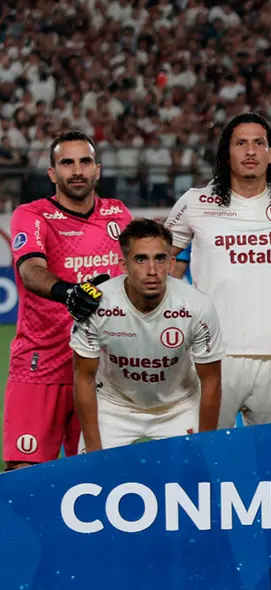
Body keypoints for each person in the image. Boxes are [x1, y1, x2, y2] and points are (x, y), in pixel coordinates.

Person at [164, 112, 271, 429]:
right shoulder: (196, 202)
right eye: (241, 143)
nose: (250, 151)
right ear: (227, 153)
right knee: (206, 461)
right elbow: (156, 255)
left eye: (258, 143)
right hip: (209, 357)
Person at [4, 130, 132, 470]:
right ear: (52, 173)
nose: (77, 170)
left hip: (100, 369)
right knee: (24, 476)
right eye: (67, 163)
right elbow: (31, 269)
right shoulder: (33, 215)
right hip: (41, 364)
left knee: (99, 475)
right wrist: (69, 293)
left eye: (84, 162)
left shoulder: (118, 215)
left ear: (98, 169)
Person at [69, 219, 224, 451]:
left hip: (178, 407)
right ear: (123, 265)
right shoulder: (97, 304)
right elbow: (84, 378)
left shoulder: (197, 306)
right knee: (89, 479)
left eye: (160, 259)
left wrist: (207, 444)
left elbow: (211, 380)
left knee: (197, 478)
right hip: (114, 406)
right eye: (141, 259)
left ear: (171, 263)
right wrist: (93, 447)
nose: (152, 270)